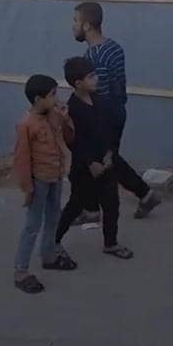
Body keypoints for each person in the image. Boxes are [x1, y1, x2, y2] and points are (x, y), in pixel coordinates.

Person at [72, 2, 161, 220]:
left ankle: (94, 211)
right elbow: (119, 86)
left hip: (104, 118)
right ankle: (144, 195)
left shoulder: (94, 58)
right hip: (118, 111)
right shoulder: (114, 47)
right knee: (109, 161)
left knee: (95, 161)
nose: (72, 26)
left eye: (75, 21)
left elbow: (99, 96)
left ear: (87, 26)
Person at [56, 57, 133, 262]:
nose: (96, 79)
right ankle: (53, 241)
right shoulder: (72, 109)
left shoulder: (99, 100)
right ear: (78, 83)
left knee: (112, 205)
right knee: (74, 207)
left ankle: (111, 243)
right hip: (85, 170)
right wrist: (91, 162)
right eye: (91, 76)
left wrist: (109, 154)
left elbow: (109, 131)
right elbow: (74, 142)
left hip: (106, 165)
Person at [12, 75, 76, 294]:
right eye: (53, 95)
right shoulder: (26, 125)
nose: (57, 98)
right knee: (32, 226)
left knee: (53, 218)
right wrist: (28, 189)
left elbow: (67, 139)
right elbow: (21, 159)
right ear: (39, 99)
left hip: (55, 178)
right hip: (38, 183)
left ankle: (48, 256)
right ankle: (21, 271)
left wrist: (66, 119)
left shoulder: (54, 116)